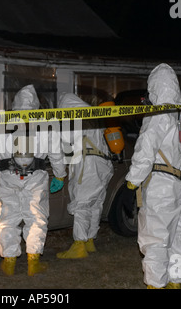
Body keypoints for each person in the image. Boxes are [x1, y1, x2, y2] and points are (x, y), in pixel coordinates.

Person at [124, 63, 181, 289]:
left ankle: (155, 285)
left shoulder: (158, 115)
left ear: (154, 87)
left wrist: (131, 185)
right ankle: (175, 283)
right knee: (177, 235)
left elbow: (145, 151)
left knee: (155, 240)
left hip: (162, 187)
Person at [0, 84, 67, 276]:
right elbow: (56, 152)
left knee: (7, 219)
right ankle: (33, 263)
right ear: (35, 105)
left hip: (7, 177)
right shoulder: (45, 123)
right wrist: (60, 175)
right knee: (36, 218)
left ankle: (9, 262)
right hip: (35, 177)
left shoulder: (3, 122)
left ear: (15, 103)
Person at [56, 93, 114, 259]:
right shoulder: (94, 114)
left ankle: (79, 245)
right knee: (95, 204)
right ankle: (90, 240)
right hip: (103, 163)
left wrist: (64, 166)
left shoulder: (71, 117)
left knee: (82, 204)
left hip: (87, 165)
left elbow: (66, 145)